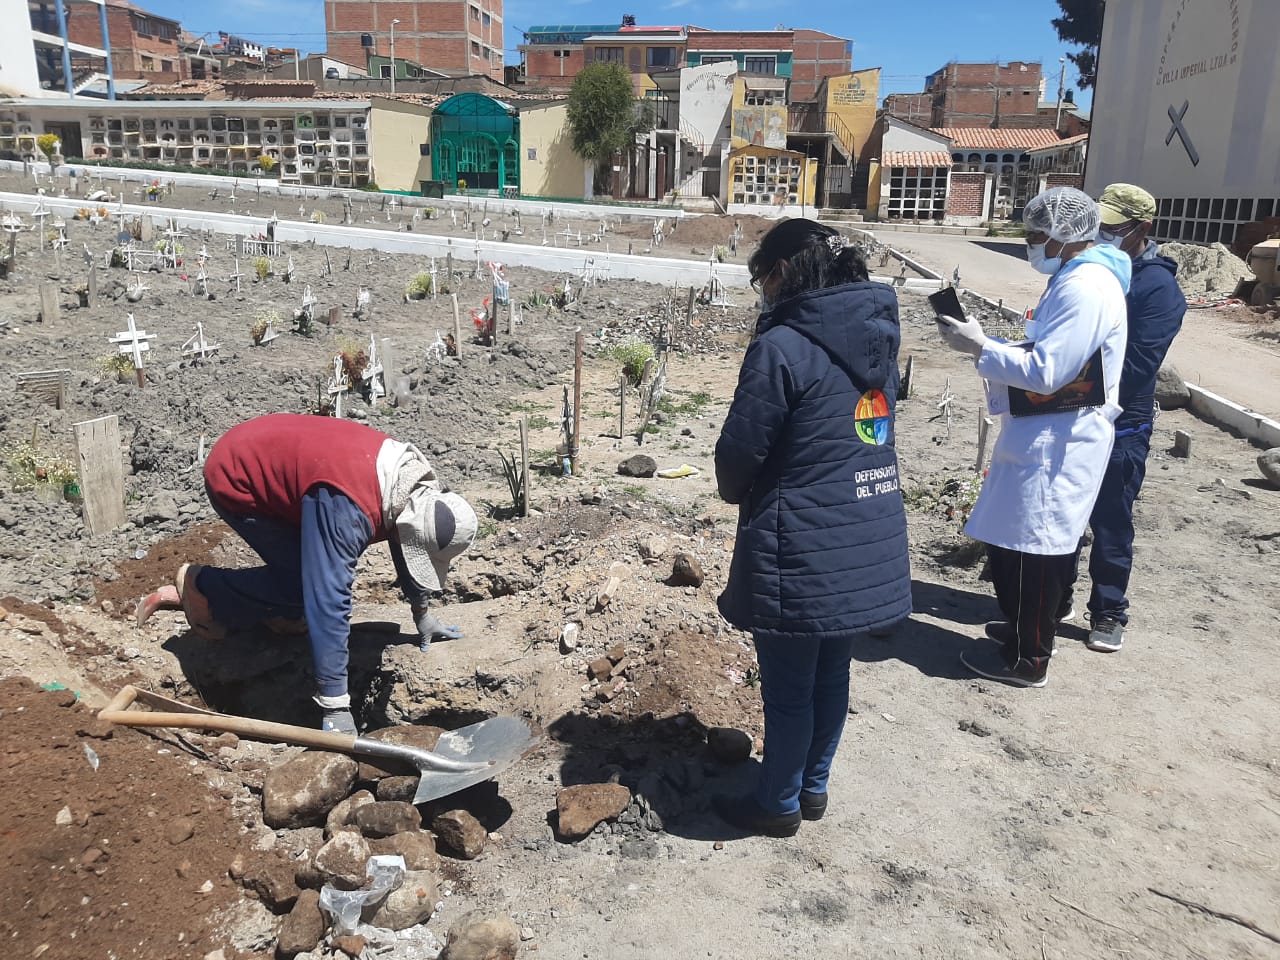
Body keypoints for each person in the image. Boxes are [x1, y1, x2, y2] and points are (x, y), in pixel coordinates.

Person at [713, 219, 912, 837]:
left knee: (789, 687)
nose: (762, 293)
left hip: (799, 541)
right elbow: (865, 434)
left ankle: (778, 804)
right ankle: (813, 787)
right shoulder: (876, 338)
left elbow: (739, 458)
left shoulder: (781, 346)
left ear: (783, 273)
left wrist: (739, 488)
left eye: (761, 279)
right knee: (832, 671)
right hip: (863, 531)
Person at [136, 414, 478, 733]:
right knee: (304, 586)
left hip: (294, 470)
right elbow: (328, 598)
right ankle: (203, 588)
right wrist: (335, 705)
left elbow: (406, 537)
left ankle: (276, 610)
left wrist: (422, 614)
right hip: (238, 476)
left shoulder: (411, 483)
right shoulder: (348, 509)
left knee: (304, 580)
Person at [935, 187, 1130, 688]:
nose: (1030, 244)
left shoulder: (1084, 287)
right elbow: (1050, 353)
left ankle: (1031, 658)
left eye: (1036, 235)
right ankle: (1024, 627)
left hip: (1061, 440)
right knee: (1019, 539)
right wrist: (990, 346)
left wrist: (980, 348)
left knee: (1039, 546)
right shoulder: (1072, 278)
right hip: (1045, 431)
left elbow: (1048, 372)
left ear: (1065, 236)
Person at [1064, 184, 1186, 653]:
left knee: (1111, 521)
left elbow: (1136, 366)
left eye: (1115, 228)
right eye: (1101, 226)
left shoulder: (1157, 288)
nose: (1104, 235)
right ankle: (1057, 597)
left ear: (1143, 228)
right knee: (1067, 512)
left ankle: (1109, 610)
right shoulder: (1091, 269)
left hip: (1121, 422)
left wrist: (1068, 381)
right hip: (1073, 408)